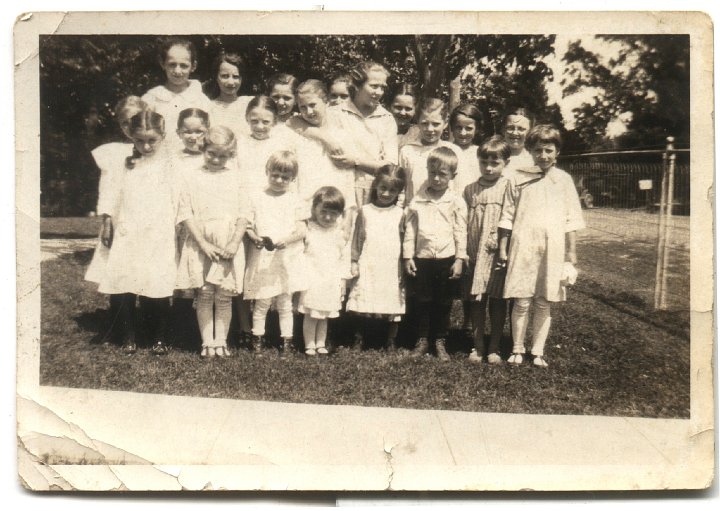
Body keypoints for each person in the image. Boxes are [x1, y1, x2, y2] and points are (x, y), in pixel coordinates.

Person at [96, 109, 186, 355]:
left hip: (159, 231)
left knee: (156, 281)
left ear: (163, 136)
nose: (146, 146)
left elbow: (179, 198)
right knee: (124, 279)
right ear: (131, 136)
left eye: (152, 140)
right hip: (128, 229)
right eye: (140, 140)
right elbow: (111, 193)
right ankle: (126, 335)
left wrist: (179, 227)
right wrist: (107, 221)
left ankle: (157, 335)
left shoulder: (171, 164)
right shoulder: (125, 163)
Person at [498, 125, 585, 368]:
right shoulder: (518, 177)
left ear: (557, 152)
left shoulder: (564, 180)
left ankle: (537, 351)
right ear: (530, 151)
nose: (543, 156)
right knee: (522, 299)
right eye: (538, 151)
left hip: (553, 248)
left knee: (544, 300)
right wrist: (503, 247)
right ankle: (516, 348)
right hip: (523, 244)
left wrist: (571, 252)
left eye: (549, 150)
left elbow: (572, 219)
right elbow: (507, 214)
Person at [176, 126, 248, 358]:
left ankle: (221, 341)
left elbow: (244, 214)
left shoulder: (237, 177)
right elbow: (185, 213)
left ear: (231, 154)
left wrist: (235, 243)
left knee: (224, 295)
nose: (216, 160)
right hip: (201, 242)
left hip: (228, 242)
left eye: (222, 155)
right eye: (211, 154)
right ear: (203, 150)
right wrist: (203, 244)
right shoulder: (192, 176)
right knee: (205, 293)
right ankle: (207, 341)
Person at [85, 96, 147, 345]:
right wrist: (107, 220)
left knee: (143, 271)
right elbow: (107, 189)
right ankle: (122, 326)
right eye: (124, 123)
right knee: (119, 271)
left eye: (134, 121)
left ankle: (144, 322)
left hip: (146, 219)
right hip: (121, 219)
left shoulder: (153, 148)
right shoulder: (112, 152)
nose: (128, 127)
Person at [403, 146, 467, 361]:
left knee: (443, 301)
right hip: (422, 257)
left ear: (452, 176)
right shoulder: (417, 201)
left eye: (443, 174)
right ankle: (422, 339)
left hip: (446, 258)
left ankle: (440, 340)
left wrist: (459, 258)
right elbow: (410, 230)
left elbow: (460, 231)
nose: (437, 179)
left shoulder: (456, 201)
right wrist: (408, 256)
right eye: (433, 173)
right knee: (422, 299)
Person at [244, 150, 308, 357]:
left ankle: (286, 340)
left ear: (292, 179)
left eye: (285, 177)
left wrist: (287, 240)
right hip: (263, 257)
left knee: (285, 303)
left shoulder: (295, 199)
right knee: (262, 301)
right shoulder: (257, 197)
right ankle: (257, 339)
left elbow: (302, 230)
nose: (279, 180)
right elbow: (248, 225)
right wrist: (254, 237)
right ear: (267, 172)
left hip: (285, 257)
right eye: (275, 175)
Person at [346, 164, 407, 352]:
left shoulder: (401, 214)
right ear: (375, 186)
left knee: (392, 299)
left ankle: (390, 339)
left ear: (399, 192)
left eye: (392, 190)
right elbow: (358, 238)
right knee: (364, 295)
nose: (387, 194)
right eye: (383, 188)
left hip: (390, 264)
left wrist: (403, 265)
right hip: (369, 261)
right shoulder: (365, 211)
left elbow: (405, 241)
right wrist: (354, 261)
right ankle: (359, 337)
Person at [464, 136, 510, 365]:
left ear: (506, 163)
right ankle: (478, 345)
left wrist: (505, 249)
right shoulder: (470, 189)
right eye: (484, 162)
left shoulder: (508, 187)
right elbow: (463, 222)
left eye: (495, 163)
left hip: (497, 253)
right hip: (475, 252)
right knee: (477, 300)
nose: (489, 168)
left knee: (498, 299)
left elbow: (511, 221)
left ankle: (494, 347)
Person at [331, 61, 399, 206]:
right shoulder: (335, 113)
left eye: (382, 87)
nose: (379, 92)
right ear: (357, 85)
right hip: (338, 189)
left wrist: (355, 161)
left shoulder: (386, 119)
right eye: (374, 86)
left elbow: (390, 166)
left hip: (372, 193)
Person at [288, 79, 356, 212]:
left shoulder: (342, 135)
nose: (309, 111)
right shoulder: (295, 135)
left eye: (313, 105)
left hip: (335, 208)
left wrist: (350, 209)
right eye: (303, 107)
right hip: (305, 207)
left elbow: (348, 178)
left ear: (326, 102)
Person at [297, 187, 349, 356]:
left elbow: (343, 258)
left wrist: (342, 280)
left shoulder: (339, 233)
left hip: (330, 279)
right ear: (314, 210)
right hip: (312, 278)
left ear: (340, 214)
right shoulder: (309, 229)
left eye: (333, 213)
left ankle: (321, 343)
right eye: (323, 212)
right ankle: (309, 344)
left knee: (324, 315)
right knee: (311, 314)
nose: (328, 217)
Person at [449, 103, 484, 335]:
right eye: (458, 128)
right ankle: (441, 321)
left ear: (477, 128)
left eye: (468, 128)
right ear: (451, 128)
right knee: (448, 267)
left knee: (471, 268)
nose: (463, 133)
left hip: (473, 214)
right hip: (447, 213)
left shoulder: (480, 153)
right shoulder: (445, 149)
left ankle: (470, 322)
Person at [142, 38, 212, 141]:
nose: (177, 71)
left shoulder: (202, 100)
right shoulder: (151, 99)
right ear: (162, 63)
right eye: (172, 64)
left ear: (193, 66)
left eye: (183, 66)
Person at [237, 95, 304, 195]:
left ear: (274, 121)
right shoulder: (240, 143)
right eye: (254, 121)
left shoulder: (282, 144)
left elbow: (292, 177)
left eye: (265, 122)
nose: (260, 127)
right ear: (247, 118)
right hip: (245, 195)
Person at [399, 98, 461, 204]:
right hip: (415, 211)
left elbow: (458, 188)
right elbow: (402, 189)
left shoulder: (453, 150)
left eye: (436, 124)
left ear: (445, 124)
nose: (430, 129)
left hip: (444, 212)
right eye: (424, 123)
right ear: (417, 122)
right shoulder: (407, 151)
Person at [207, 51, 254, 139]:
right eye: (225, 76)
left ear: (241, 79)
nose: (230, 82)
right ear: (216, 77)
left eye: (235, 77)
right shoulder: (208, 107)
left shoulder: (251, 103)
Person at [170, 108, 210, 175]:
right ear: (179, 133)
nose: (193, 137)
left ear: (208, 132)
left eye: (199, 131)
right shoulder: (173, 159)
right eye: (187, 132)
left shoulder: (214, 157)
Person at [500, 107, 535, 179]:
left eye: (521, 129)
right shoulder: (492, 156)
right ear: (503, 130)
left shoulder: (534, 160)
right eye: (510, 128)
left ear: (530, 132)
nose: (515, 133)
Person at [389, 83, 420, 148]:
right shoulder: (378, 129)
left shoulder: (420, 134)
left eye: (408, 109)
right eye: (398, 107)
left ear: (415, 110)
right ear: (389, 106)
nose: (403, 113)